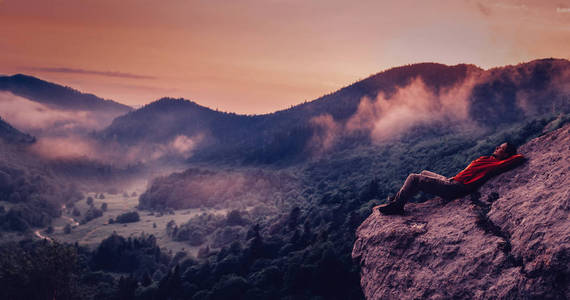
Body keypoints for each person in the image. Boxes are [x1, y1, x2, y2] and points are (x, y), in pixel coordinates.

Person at [376, 142, 525, 215]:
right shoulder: (491, 159)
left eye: (501, 148)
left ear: (506, 154)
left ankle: (398, 205)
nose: (496, 148)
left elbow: (518, 158)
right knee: (424, 172)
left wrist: (510, 156)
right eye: (498, 146)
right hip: (452, 181)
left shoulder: (498, 163)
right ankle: (399, 198)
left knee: (414, 178)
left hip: (455, 188)